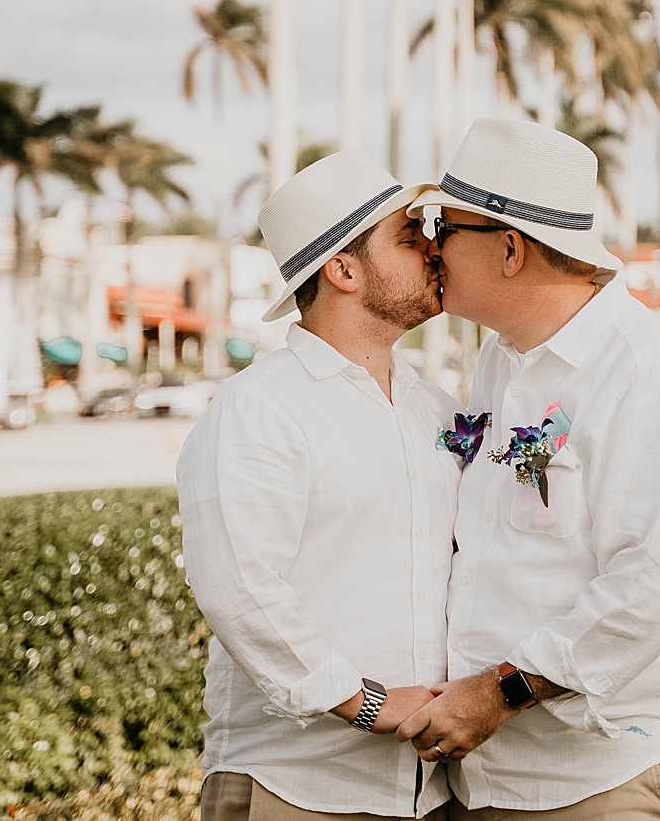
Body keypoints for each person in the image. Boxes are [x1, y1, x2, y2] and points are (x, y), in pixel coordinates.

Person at [396, 118, 660, 821]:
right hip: (496, 778)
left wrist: (501, 693)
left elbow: (653, 581)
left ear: (510, 248)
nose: (429, 247)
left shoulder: (649, 373)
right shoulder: (501, 362)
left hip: (607, 772)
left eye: (443, 226)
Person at [178, 148, 462, 820]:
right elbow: (240, 591)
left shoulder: (437, 409)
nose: (435, 249)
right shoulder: (258, 410)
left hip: (429, 791)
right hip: (296, 788)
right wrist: (365, 702)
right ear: (343, 269)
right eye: (408, 237)